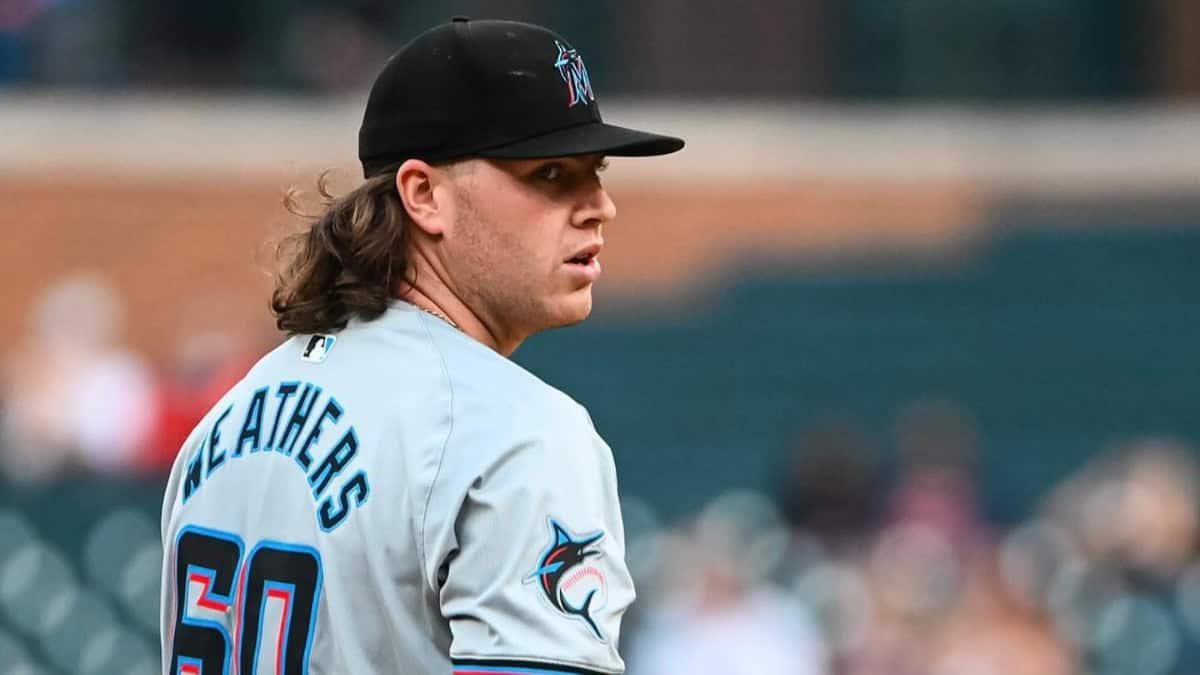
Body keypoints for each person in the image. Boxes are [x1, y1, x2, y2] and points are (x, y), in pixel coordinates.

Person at [158, 16, 683, 675]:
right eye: (551, 172)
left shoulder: (224, 422)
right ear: (424, 194)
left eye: (595, 171)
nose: (599, 205)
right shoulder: (517, 433)